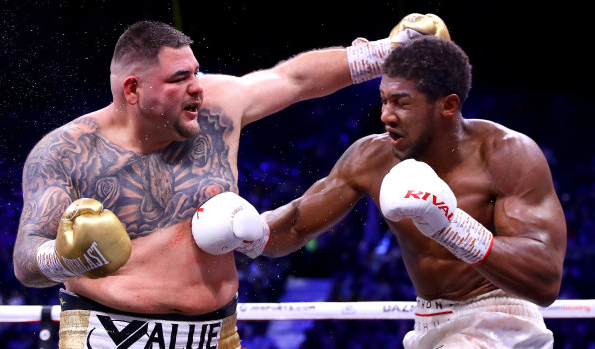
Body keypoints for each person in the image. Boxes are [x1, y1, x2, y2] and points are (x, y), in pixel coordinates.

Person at [12, 15, 450, 348]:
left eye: (196, 73)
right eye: (180, 79)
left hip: (216, 333)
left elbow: (293, 79)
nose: (197, 88)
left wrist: (388, 51)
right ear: (132, 90)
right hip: (105, 332)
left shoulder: (219, 106)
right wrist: (63, 259)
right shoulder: (65, 151)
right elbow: (26, 258)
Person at [196, 36, 566, 348]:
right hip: (428, 321)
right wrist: (253, 232)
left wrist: (451, 226)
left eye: (402, 102)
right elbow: (296, 225)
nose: (386, 114)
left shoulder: (506, 154)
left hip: (500, 318)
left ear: (448, 105)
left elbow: (545, 281)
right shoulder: (371, 156)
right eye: (384, 99)